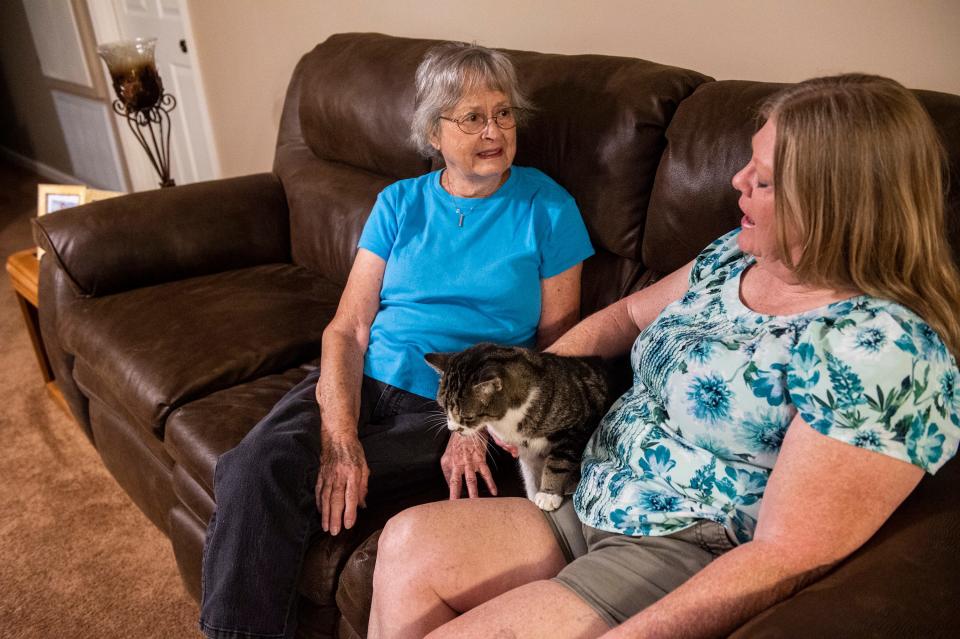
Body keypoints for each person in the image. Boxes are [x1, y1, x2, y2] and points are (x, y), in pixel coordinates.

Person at [368, 74, 960, 639]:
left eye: (765, 178)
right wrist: (536, 385)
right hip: (595, 485)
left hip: (680, 542)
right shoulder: (737, 252)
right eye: (748, 160)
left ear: (839, 202)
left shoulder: (884, 351)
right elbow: (625, 316)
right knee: (406, 542)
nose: (736, 181)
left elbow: (786, 553)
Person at [198, 42, 594, 639]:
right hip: (364, 381)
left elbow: (558, 348)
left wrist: (480, 427)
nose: (494, 130)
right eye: (472, 118)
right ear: (433, 132)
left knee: (279, 491)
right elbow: (349, 328)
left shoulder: (548, 208)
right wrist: (339, 437)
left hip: (462, 406)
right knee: (253, 468)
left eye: (504, 113)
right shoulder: (400, 203)